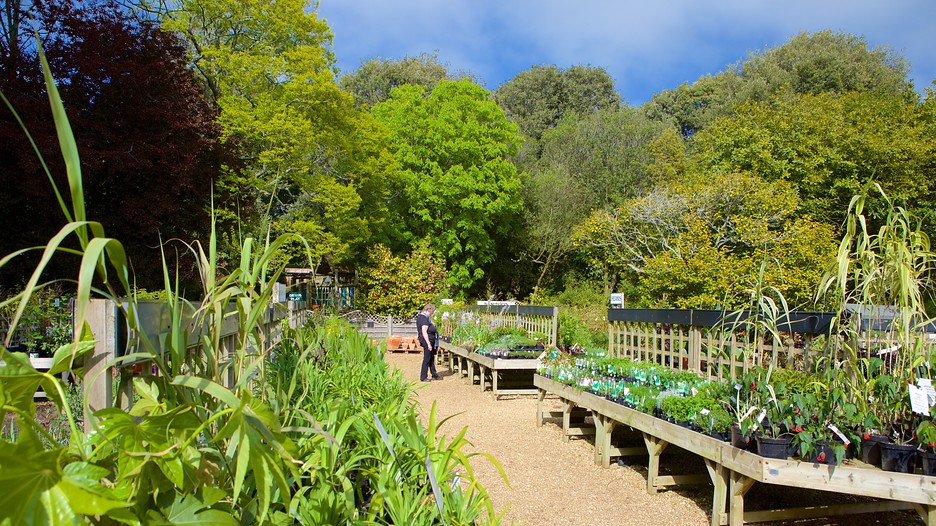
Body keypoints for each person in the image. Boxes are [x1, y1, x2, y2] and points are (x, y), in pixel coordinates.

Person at [417, 303, 440, 382]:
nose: (432, 313)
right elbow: (424, 331)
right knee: (427, 358)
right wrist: (428, 344)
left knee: (431, 357)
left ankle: (434, 373)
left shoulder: (425, 318)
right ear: (428, 310)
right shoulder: (424, 318)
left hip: (430, 339)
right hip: (427, 340)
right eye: (431, 312)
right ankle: (423, 377)